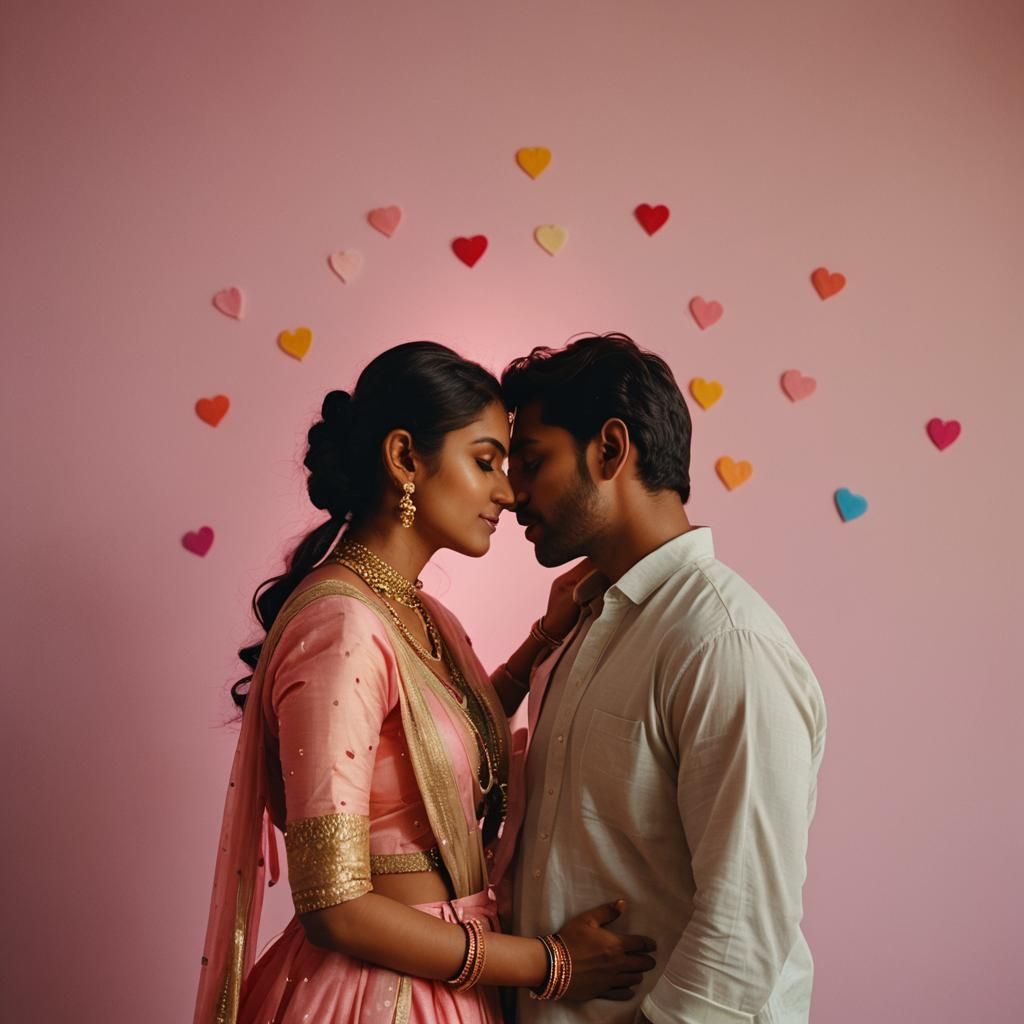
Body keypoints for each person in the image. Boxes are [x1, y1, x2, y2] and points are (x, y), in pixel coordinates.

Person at [193, 341, 657, 1024]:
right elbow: (334, 907)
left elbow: (437, 749)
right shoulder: (342, 625)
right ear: (406, 458)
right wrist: (549, 964)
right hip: (370, 996)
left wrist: (542, 641)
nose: (508, 491)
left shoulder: (416, 612)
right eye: (485, 461)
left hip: (443, 985)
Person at [491, 333, 828, 1024]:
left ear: (610, 450)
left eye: (531, 461)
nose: (512, 492)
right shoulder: (580, 623)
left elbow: (745, 921)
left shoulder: (723, 642)